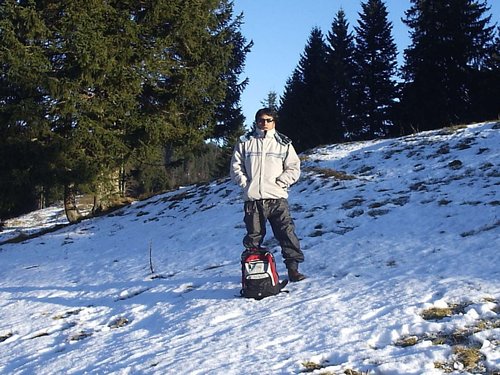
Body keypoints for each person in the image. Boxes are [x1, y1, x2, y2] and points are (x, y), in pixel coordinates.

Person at [230, 108, 306, 282]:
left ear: (274, 122)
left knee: (287, 234)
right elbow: (236, 166)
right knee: (253, 237)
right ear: (256, 121)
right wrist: (246, 184)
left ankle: (293, 270)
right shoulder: (244, 142)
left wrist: (281, 182)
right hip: (253, 199)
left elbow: (294, 167)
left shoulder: (284, 143)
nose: (264, 123)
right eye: (261, 120)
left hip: (277, 199)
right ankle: (254, 272)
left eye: (268, 120)